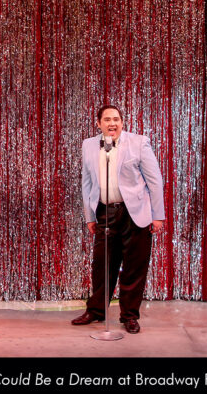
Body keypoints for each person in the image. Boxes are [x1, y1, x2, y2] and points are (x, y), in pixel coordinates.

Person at [71, 104, 165, 334]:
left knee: (134, 267)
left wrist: (158, 215)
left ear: (122, 122)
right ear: (98, 123)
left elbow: (154, 181)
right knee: (102, 266)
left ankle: (129, 316)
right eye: (107, 120)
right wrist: (89, 216)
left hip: (135, 214)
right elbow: (86, 183)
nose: (112, 123)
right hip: (104, 212)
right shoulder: (89, 145)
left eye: (116, 119)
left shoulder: (139, 143)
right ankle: (96, 311)